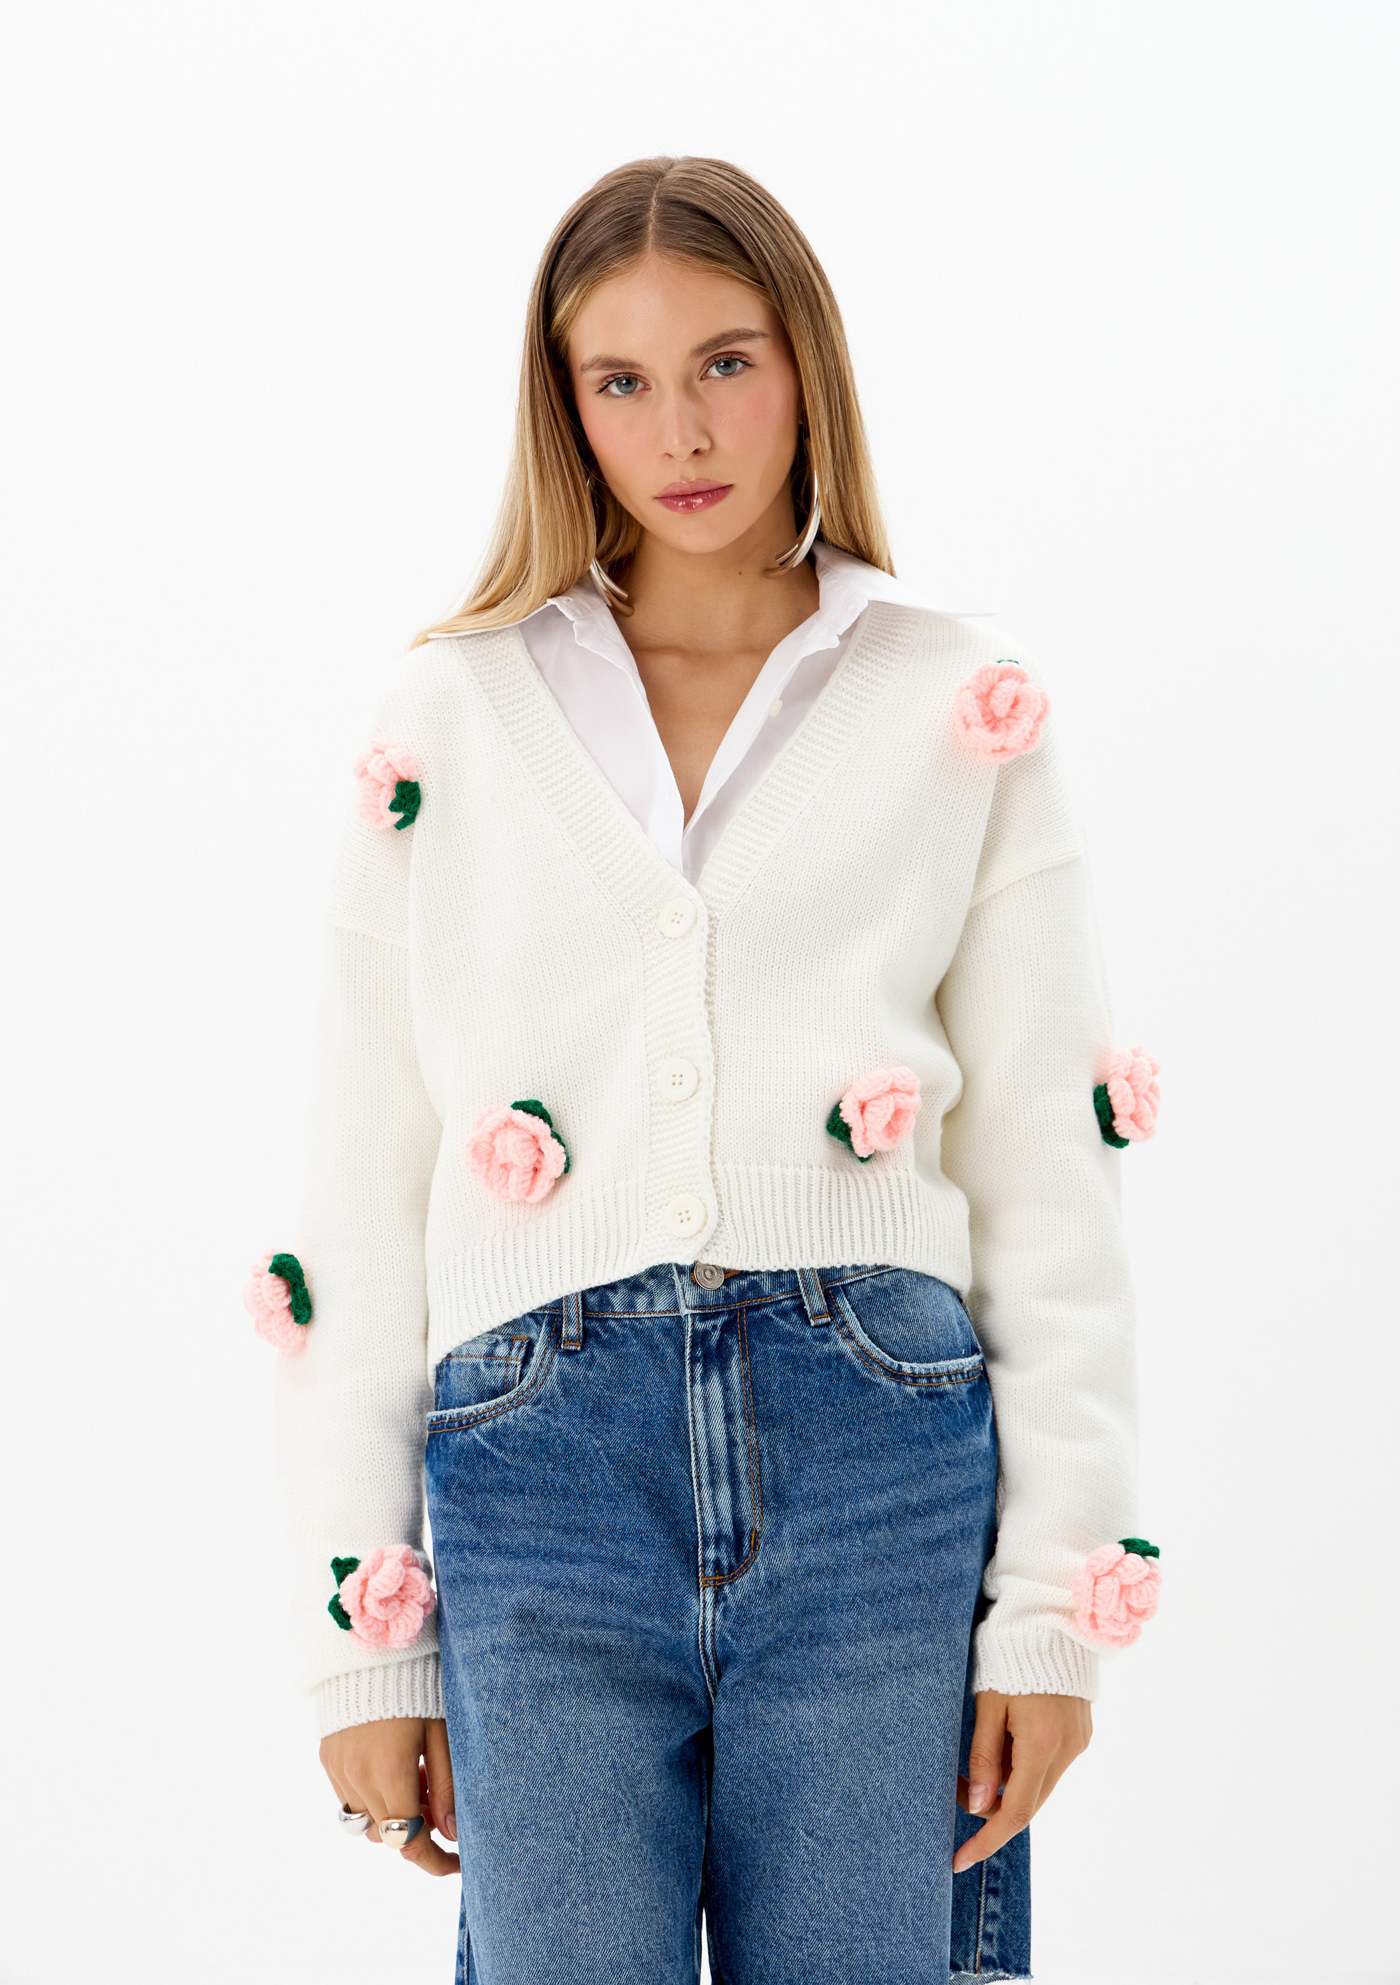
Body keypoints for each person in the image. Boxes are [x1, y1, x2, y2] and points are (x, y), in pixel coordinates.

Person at [248, 154, 1162, 1984]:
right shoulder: (453, 711)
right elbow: (359, 1171)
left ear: (805, 364)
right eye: (624, 379)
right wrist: (362, 1633)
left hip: (880, 1457)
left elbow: (1047, 1177)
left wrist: (1054, 1605)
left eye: (727, 364)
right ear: (565, 406)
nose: (682, 429)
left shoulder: (951, 699)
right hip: (538, 1472)